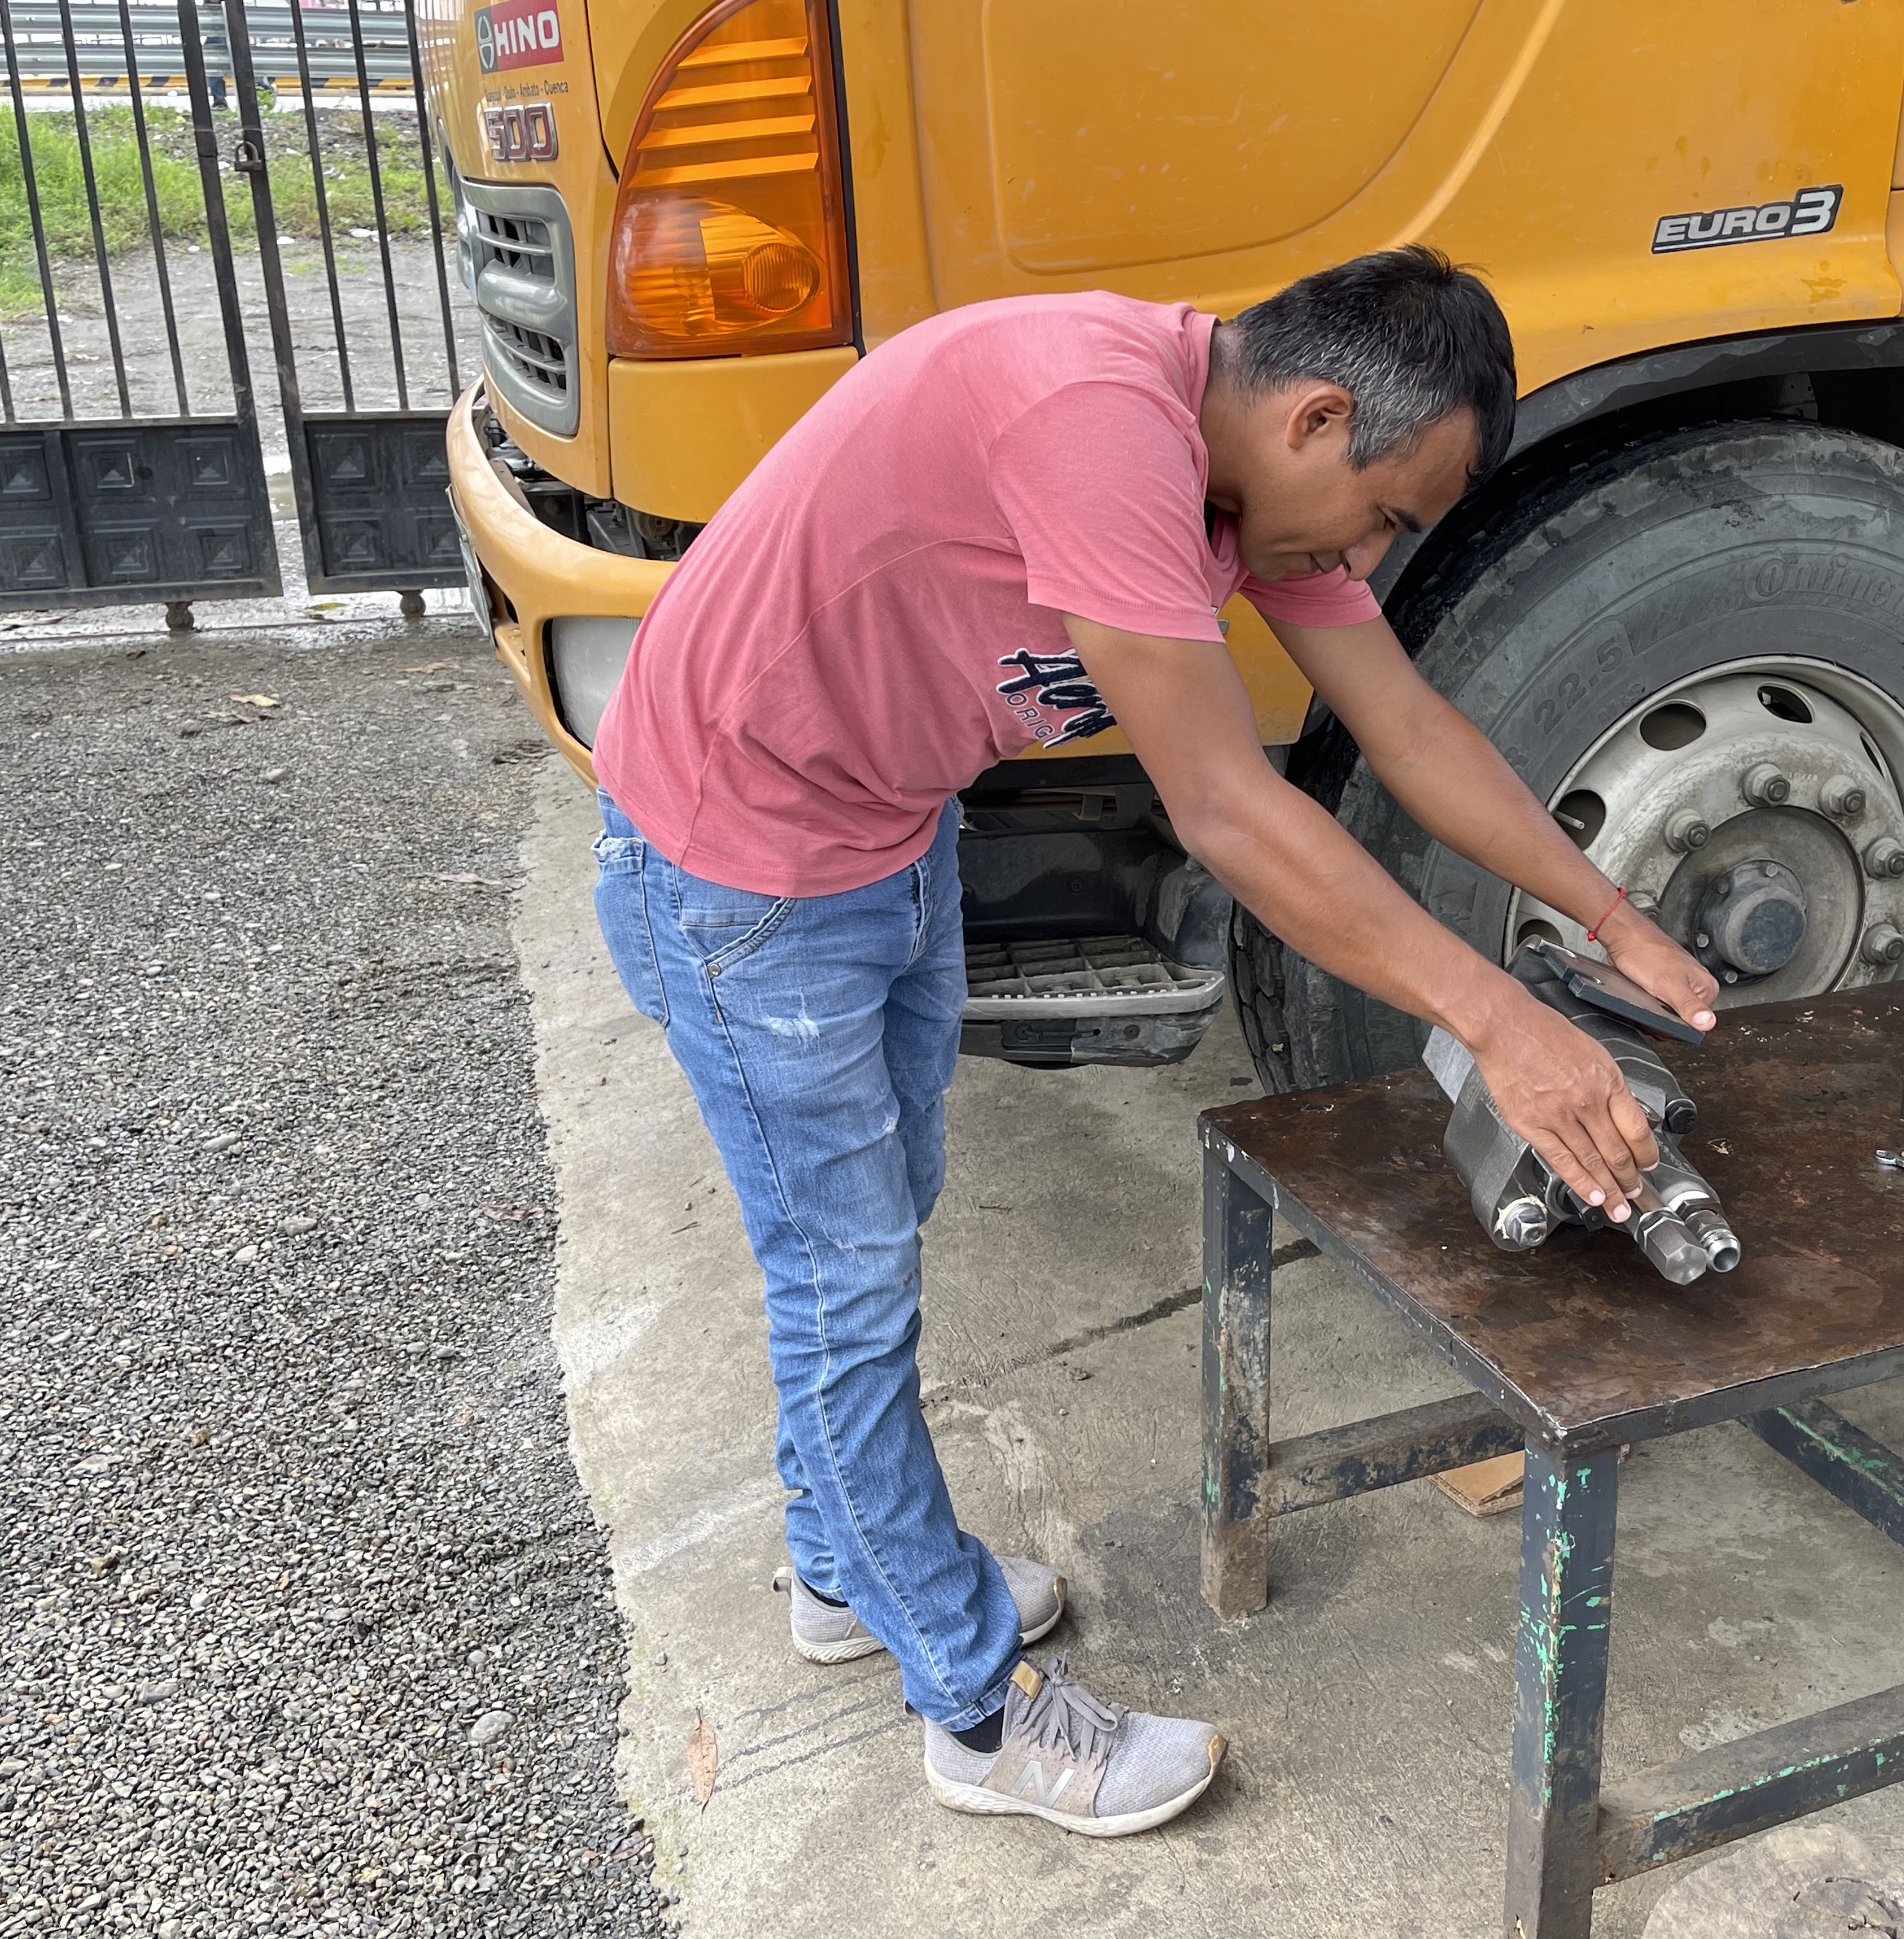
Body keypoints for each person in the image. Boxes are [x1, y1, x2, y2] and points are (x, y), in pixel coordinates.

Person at [588, 246, 1720, 1839]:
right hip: (741, 867)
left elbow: (1405, 727)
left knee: (878, 1230)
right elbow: (1227, 809)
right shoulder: (1099, 422)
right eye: (1385, 514)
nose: (1371, 555)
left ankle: (850, 1573)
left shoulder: (1250, 483)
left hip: (880, 830)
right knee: (842, 1284)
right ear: (1318, 419)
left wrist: (1609, 918)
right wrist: (1499, 1020)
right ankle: (976, 1713)